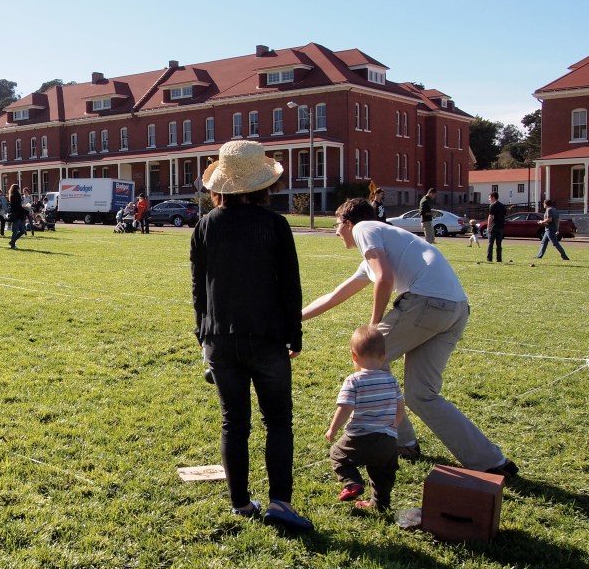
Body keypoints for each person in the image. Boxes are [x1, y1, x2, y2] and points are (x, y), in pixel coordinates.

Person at [302, 197, 518, 477]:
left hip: (427, 303)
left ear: (348, 222)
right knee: (421, 395)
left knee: (369, 358)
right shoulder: (386, 241)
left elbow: (385, 279)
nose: (336, 231)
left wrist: (374, 324)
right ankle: (491, 461)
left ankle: (401, 442)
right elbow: (334, 296)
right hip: (455, 309)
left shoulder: (365, 228)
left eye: (336, 224)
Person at [190, 140, 312, 531]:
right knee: (277, 420)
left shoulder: (205, 225)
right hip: (266, 335)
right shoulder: (275, 225)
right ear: (264, 185)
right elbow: (289, 287)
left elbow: (198, 289)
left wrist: (203, 338)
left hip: (220, 337)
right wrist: (294, 334)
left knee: (234, 422)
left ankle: (240, 504)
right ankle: (280, 503)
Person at [324, 325, 404, 512]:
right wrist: (394, 425)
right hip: (388, 441)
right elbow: (401, 406)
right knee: (382, 473)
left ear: (354, 356)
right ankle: (380, 503)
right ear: (383, 355)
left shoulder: (354, 380)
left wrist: (333, 429)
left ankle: (352, 483)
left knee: (337, 454)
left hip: (360, 437)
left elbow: (345, 408)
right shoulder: (391, 380)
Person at [7, 184, 26, 249]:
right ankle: (12, 244)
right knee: (16, 230)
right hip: (17, 215)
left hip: (18, 214)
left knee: (22, 230)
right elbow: (18, 206)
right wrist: (25, 210)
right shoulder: (15, 195)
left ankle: (12, 241)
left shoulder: (12, 195)